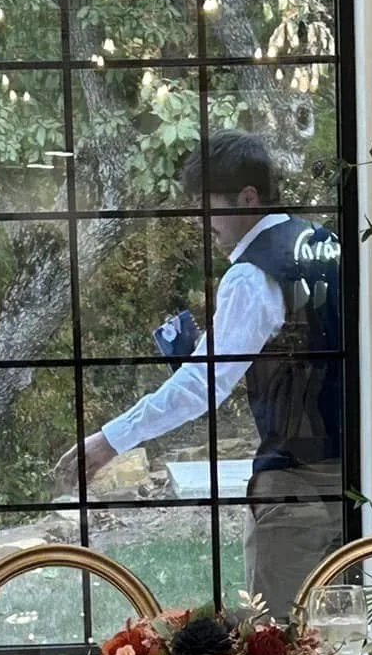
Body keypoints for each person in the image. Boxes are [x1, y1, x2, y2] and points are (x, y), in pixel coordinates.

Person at [55, 131, 345, 618]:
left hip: (295, 490)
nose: (197, 219)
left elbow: (202, 384)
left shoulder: (252, 275)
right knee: (342, 639)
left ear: (247, 198)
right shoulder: (326, 244)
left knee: (279, 643)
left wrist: (110, 440)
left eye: (205, 205)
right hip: (355, 480)